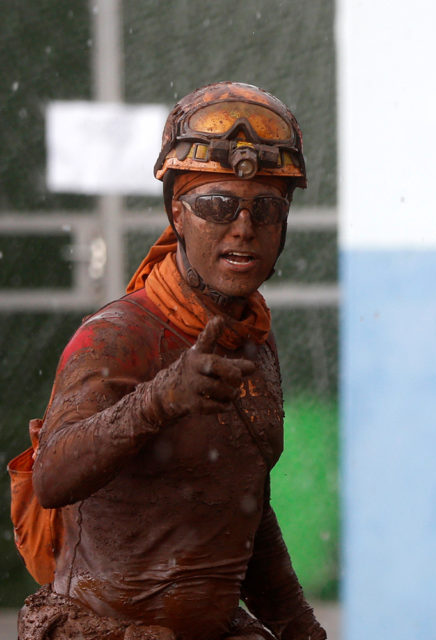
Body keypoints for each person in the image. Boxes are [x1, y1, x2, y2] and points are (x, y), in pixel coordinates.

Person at [16, 82, 326, 640]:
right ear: (177, 215)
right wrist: (159, 399)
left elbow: (242, 506)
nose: (243, 226)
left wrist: (300, 628)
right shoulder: (116, 336)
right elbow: (52, 478)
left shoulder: (252, 338)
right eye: (217, 205)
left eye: (266, 208)